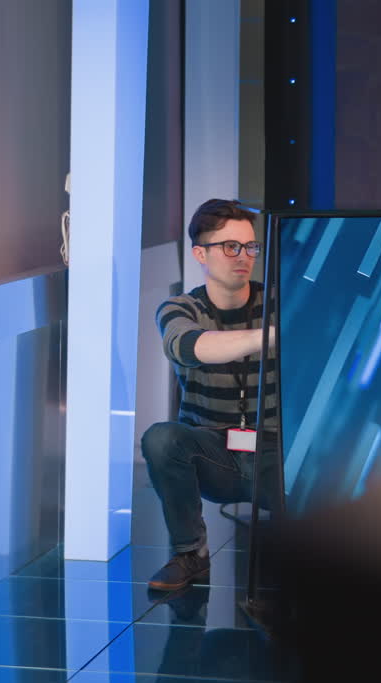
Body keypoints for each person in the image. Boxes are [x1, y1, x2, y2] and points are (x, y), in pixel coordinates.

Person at [142, 198, 278, 591]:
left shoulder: (278, 302)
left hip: (275, 451)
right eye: (230, 246)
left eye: (250, 246)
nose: (244, 256)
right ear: (200, 253)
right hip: (213, 452)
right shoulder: (180, 308)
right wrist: (272, 336)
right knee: (161, 438)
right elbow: (189, 347)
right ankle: (190, 555)